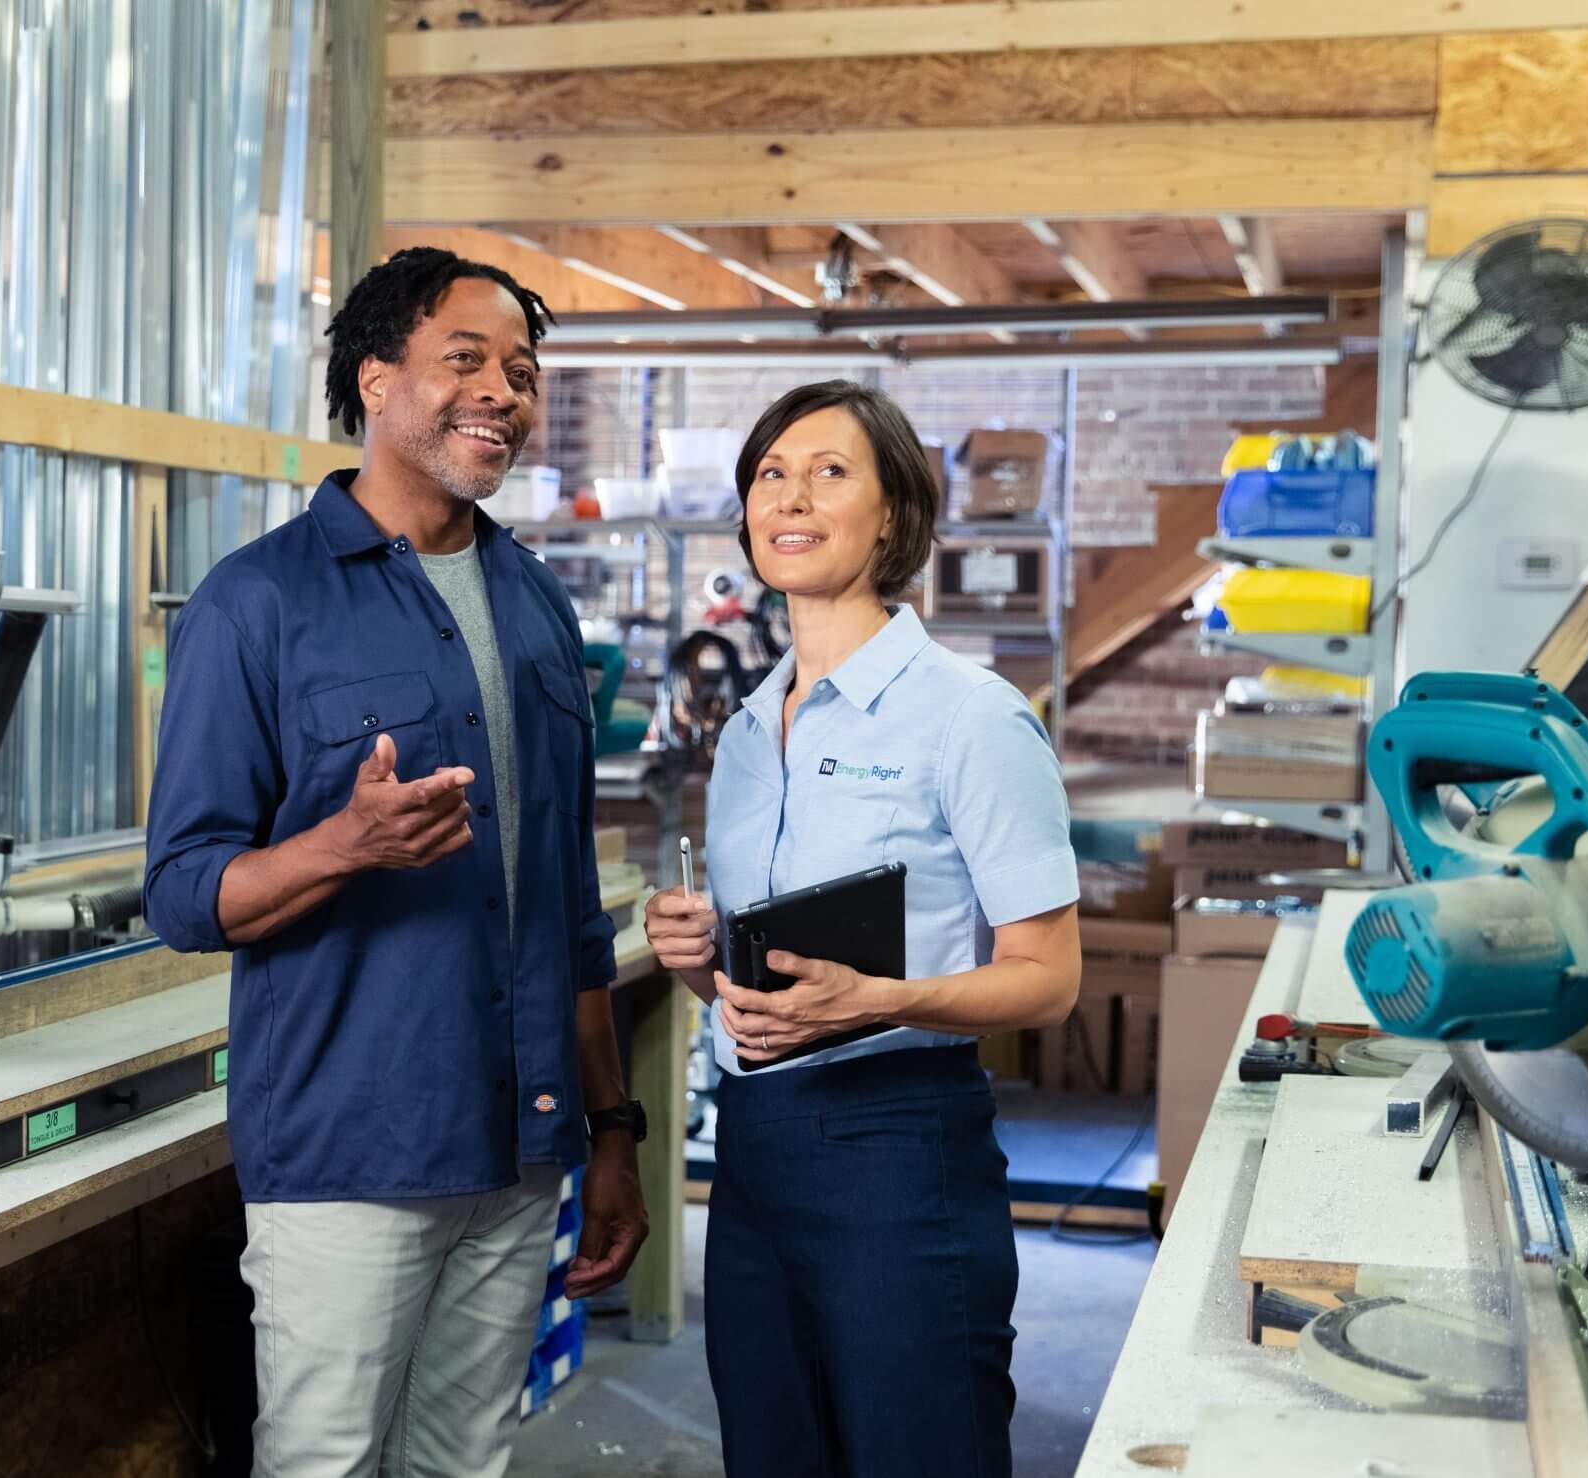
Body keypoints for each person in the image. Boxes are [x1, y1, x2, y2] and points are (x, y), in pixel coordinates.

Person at [143, 246, 649, 1478]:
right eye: (463, 361)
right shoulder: (256, 604)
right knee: (325, 1461)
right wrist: (341, 844)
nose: (501, 393)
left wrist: (612, 1127)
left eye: (521, 373)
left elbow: (566, 903)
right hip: (352, 1145)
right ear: (376, 382)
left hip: (522, 1143)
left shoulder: (534, 603)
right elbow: (182, 890)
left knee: (465, 1459)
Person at [642, 381, 1081, 1478]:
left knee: (918, 1450)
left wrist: (882, 999)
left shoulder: (970, 717)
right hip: (750, 1153)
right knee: (772, 1451)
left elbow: (1046, 978)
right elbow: (769, 992)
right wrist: (704, 966)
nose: (791, 495)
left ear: (892, 513)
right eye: (769, 474)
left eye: (830, 471)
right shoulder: (747, 732)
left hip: (899, 1146)